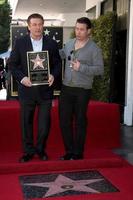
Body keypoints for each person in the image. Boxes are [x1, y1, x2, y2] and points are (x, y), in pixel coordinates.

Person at [9, 13, 61, 163]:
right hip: (27, 90)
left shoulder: (51, 43)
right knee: (26, 123)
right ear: (29, 26)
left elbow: (57, 63)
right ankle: (28, 152)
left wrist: (53, 75)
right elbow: (12, 64)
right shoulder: (20, 43)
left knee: (44, 124)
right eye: (34, 24)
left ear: (43, 25)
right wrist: (22, 78)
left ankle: (40, 149)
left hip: (45, 91)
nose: (38, 27)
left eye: (40, 24)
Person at [59, 17, 104, 160]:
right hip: (66, 88)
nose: (78, 32)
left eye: (82, 29)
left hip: (82, 90)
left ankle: (78, 153)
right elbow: (60, 55)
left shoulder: (94, 49)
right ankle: (69, 151)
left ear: (88, 31)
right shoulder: (69, 43)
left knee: (80, 121)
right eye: (76, 28)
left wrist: (81, 67)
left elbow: (99, 70)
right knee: (64, 121)